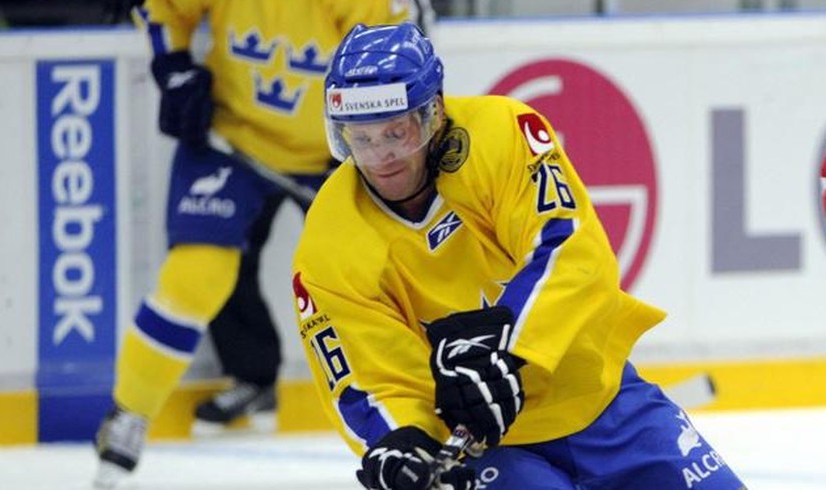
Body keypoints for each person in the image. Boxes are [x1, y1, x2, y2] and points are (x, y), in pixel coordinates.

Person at [291, 22, 748, 490]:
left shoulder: (502, 135)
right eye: (361, 139)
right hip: (488, 445)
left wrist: (505, 351)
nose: (381, 158)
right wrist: (403, 439)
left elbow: (570, 248)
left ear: (434, 113)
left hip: (596, 398)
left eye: (397, 134)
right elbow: (366, 376)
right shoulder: (329, 241)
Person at [93, 1, 419, 488]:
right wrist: (176, 68)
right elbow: (160, 8)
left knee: (389, 278)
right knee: (197, 276)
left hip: (340, 152)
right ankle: (129, 413)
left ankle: (420, 418)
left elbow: (397, 57)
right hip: (232, 138)